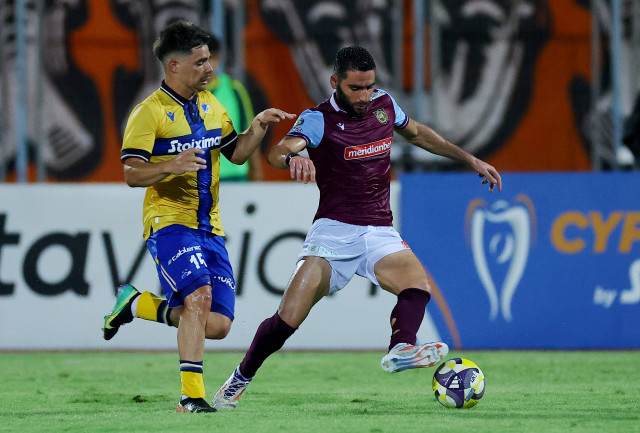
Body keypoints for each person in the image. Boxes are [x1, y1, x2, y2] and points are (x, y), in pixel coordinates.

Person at [210, 46, 502, 410]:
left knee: (417, 286)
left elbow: (419, 134)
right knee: (287, 319)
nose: (364, 96)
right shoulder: (318, 119)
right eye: (355, 88)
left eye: (369, 87)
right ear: (335, 82)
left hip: (379, 230)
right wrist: (293, 157)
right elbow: (277, 152)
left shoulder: (385, 105)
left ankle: (401, 348)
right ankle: (239, 379)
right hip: (333, 233)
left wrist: (470, 159)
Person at [101, 20, 295, 413]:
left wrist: (257, 127)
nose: (210, 68)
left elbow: (236, 154)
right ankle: (191, 397)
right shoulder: (148, 113)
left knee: (218, 324)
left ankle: (135, 304)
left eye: (209, 60)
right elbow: (132, 173)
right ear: (174, 65)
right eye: (201, 62)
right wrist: (170, 166)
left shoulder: (212, 104)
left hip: (210, 227)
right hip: (169, 222)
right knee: (199, 297)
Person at [206, 35, 262, 181]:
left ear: (218, 58)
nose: (206, 65)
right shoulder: (183, 94)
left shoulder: (234, 89)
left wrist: (257, 174)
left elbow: (250, 131)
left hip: (234, 175)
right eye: (200, 60)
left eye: (210, 58)